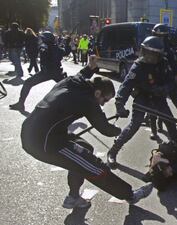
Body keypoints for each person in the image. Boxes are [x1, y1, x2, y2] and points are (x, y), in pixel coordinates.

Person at [20, 55, 152, 209]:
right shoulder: (87, 101)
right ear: (97, 93)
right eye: (105, 100)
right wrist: (119, 129)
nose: (103, 104)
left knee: (85, 148)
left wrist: (90, 68)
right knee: (92, 165)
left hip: (38, 130)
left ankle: (73, 197)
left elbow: (81, 75)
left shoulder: (71, 83)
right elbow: (104, 128)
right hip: (44, 142)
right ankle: (130, 195)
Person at [107, 36, 177, 168]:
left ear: (158, 55)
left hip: (158, 98)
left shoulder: (163, 64)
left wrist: (164, 89)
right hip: (143, 98)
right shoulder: (138, 66)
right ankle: (112, 152)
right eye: (147, 53)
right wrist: (119, 104)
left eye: (152, 54)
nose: (149, 57)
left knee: (170, 121)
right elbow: (126, 85)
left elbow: (172, 82)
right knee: (134, 126)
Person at [9, 31, 66, 111]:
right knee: (68, 88)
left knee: (28, 83)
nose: (40, 39)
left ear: (45, 39)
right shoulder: (56, 48)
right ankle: (77, 104)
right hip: (56, 72)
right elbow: (64, 52)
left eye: (42, 38)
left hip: (46, 72)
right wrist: (64, 45)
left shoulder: (44, 47)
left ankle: (20, 104)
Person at [150, 24, 177, 138]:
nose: (160, 38)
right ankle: (156, 128)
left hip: (169, 79)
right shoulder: (151, 45)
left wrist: (175, 77)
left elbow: (174, 66)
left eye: (162, 36)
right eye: (157, 35)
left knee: (175, 99)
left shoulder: (168, 49)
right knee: (155, 103)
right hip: (156, 79)